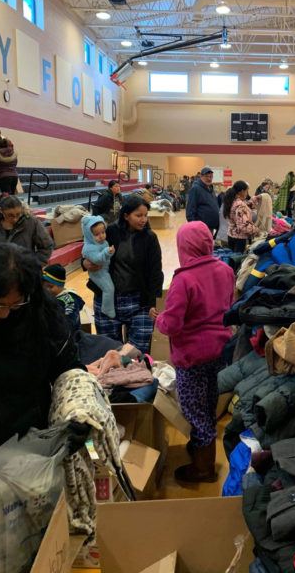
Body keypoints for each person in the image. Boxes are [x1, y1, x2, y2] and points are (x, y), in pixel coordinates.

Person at [152, 221, 234, 483]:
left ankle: (203, 467)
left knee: (193, 409)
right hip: (220, 348)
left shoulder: (183, 279)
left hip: (192, 356)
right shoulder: (225, 269)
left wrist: (159, 318)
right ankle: (202, 447)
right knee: (209, 401)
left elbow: (172, 325)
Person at [0, 244, 82, 445]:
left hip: (30, 435)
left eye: (15, 304)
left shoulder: (42, 312)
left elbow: (68, 368)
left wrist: (77, 411)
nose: (6, 313)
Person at [83, 196, 163, 353]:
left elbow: (156, 273)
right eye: (138, 215)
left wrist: (153, 302)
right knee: (110, 351)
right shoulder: (110, 231)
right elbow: (91, 246)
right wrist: (84, 263)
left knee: (137, 353)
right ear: (126, 216)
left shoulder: (150, 238)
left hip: (140, 302)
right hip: (108, 300)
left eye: (145, 215)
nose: (143, 220)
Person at [0, 195, 53, 265]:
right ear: (1, 211)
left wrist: (34, 265)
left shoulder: (31, 222)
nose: (15, 219)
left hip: (23, 272)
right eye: (10, 215)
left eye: (18, 214)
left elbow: (47, 246)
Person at [81, 215, 116, 319]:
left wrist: (110, 252)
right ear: (88, 235)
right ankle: (107, 309)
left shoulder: (103, 242)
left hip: (104, 269)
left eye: (103, 232)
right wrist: (107, 252)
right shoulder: (89, 247)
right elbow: (97, 260)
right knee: (109, 289)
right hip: (98, 272)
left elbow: (106, 257)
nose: (101, 236)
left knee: (109, 288)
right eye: (96, 234)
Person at [42, 263, 85, 332]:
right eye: (43, 286)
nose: (46, 289)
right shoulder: (49, 296)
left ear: (60, 285)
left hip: (70, 339)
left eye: (50, 286)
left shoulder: (69, 301)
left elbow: (68, 324)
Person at [223, 180, 259, 253]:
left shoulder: (232, 201)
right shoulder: (240, 204)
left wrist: (251, 202)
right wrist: (256, 230)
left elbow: (239, 212)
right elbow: (243, 226)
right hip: (239, 239)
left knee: (232, 260)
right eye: (246, 191)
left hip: (231, 235)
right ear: (242, 191)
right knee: (237, 261)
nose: (247, 193)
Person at [185, 166, 220, 235]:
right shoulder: (196, 189)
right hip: (201, 229)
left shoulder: (210, 188)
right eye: (207, 176)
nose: (209, 179)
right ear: (201, 176)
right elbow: (190, 210)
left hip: (210, 227)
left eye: (211, 177)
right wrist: (195, 227)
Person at [0, 130, 19, 195]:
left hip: (3, 176)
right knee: (11, 195)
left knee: (6, 196)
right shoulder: (14, 153)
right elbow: (15, 163)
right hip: (14, 175)